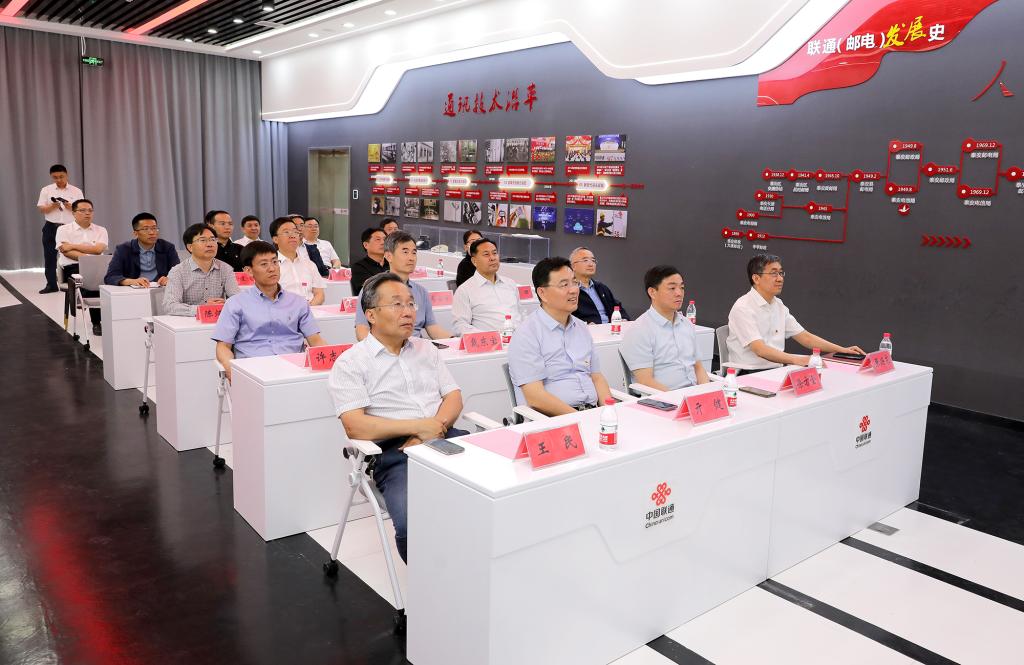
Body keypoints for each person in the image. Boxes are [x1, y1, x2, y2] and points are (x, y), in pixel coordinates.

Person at [327, 272, 465, 563]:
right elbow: (355, 426)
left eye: (411, 304)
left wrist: (432, 429)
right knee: (410, 520)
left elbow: (453, 397)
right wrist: (419, 428)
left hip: (444, 435)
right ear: (371, 315)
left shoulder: (426, 348)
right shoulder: (351, 362)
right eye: (397, 304)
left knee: (494, 486)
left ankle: (473, 561)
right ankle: (430, 580)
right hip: (394, 453)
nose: (408, 312)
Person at [508, 257, 613, 415]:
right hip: (553, 419)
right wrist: (579, 418)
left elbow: (596, 377)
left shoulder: (581, 327)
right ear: (542, 293)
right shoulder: (527, 334)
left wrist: (608, 412)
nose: (574, 290)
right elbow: (535, 397)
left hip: (591, 413)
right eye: (564, 285)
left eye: (574, 282)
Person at [726, 254, 866, 373]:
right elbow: (760, 350)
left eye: (781, 273)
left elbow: (805, 337)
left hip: (777, 369)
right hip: (748, 373)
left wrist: (842, 350)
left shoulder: (778, 305)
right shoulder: (743, 308)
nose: (780, 278)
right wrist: (798, 359)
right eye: (774, 273)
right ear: (756, 279)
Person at [212, 241, 327, 382]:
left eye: (275, 262)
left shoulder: (298, 302)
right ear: (248, 271)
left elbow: (316, 340)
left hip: (296, 370)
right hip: (253, 371)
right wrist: (230, 369)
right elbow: (223, 346)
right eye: (264, 264)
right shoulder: (235, 303)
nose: (272, 268)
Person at [620, 265, 709, 392]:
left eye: (682, 288)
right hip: (662, 398)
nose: (679, 293)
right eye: (672, 288)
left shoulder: (686, 324)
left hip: (693, 395)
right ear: (652, 292)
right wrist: (677, 398)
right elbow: (645, 381)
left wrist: (706, 392)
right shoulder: (639, 330)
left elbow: (698, 367)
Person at [354, 231, 452, 341]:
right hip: (387, 347)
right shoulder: (371, 289)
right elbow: (362, 331)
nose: (411, 258)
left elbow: (432, 328)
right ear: (388, 256)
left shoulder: (421, 291)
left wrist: (455, 340)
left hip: (416, 347)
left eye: (414, 253)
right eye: (405, 252)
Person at [163, 223, 240, 317]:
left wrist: (227, 304)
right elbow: (170, 306)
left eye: (213, 240)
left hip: (217, 321)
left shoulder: (225, 269)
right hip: (188, 322)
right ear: (190, 247)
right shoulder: (177, 272)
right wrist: (202, 309)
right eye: (203, 240)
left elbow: (237, 299)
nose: (210, 244)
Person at [451, 238, 524, 334]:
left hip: (519, 339)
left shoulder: (510, 284)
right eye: (486, 254)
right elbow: (460, 326)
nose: (492, 258)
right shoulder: (465, 290)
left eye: (494, 253)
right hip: (490, 341)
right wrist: (487, 337)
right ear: (474, 261)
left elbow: (520, 315)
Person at [55, 199, 107, 334]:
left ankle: (82, 296)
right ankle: (97, 323)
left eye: (90, 210)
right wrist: (89, 256)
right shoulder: (63, 229)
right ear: (73, 213)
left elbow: (98, 250)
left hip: (96, 266)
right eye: (82, 210)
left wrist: (72, 245)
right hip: (73, 267)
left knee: (107, 276)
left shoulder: (101, 230)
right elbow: (66, 252)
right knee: (93, 279)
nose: (87, 213)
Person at [36, 164, 84, 293]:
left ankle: (74, 285)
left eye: (61, 176)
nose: (58, 179)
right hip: (51, 227)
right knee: (50, 257)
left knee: (73, 256)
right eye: (55, 177)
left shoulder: (76, 191)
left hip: (70, 228)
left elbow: (83, 210)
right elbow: (41, 208)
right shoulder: (46, 190)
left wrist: (71, 207)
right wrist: (52, 206)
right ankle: (51, 285)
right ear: (51, 177)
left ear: (67, 175)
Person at [103, 213, 179, 287]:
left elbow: (179, 273)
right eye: (146, 229)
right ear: (135, 233)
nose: (152, 232)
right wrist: (132, 281)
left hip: (160, 290)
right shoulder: (123, 249)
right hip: (133, 291)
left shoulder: (167, 248)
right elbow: (110, 277)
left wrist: (169, 279)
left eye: (154, 228)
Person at [270, 217, 325, 306]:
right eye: (286, 232)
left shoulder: (309, 264)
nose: (292, 236)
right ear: (275, 239)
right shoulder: (270, 266)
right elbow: (268, 298)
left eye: (295, 232)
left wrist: (307, 308)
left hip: (310, 310)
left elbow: (320, 294)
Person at [570, 247, 627, 325]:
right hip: (586, 330)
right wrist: (584, 325)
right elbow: (565, 316)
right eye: (585, 260)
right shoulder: (569, 290)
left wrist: (624, 319)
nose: (591, 264)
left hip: (609, 329)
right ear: (573, 266)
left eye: (593, 261)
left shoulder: (601, 288)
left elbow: (617, 307)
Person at [351, 227, 390, 295]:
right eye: (378, 239)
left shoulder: (392, 263)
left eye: (385, 239)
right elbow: (371, 289)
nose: (383, 242)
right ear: (366, 245)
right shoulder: (359, 267)